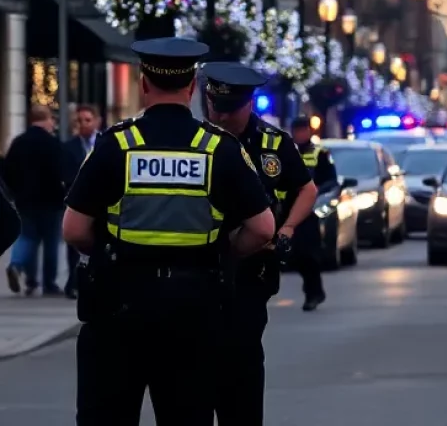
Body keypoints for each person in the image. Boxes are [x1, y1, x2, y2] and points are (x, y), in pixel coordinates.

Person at [64, 39, 275, 426]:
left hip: (119, 308)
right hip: (194, 312)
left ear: (144, 83)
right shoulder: (217, 148)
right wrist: (226, 250)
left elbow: (74, 228)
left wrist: (110, 249)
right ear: (193, 85)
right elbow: (262, 230)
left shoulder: (116, 144)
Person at [203, 63, 316, 426]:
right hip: (202, 267)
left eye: (229, 110)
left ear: (249, 104)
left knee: (243, 360)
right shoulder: (197, 140)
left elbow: (306, 188)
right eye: (213, 107)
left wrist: (287, 230)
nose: (219, 116)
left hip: (252, 267)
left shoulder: (272, 143)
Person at [4, 105, 65, 295]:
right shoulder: (53, 143)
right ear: (47, 119)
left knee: (27, 236)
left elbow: (7, 171)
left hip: (25, 200)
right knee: (51, 242)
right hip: (51, 200)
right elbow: (61, 171)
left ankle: (22, 271)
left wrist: (14, 192)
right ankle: (49, 282)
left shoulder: (19, 142)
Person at [288, 115, 337, 311]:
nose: (299, 134)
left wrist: (316, 192)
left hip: (309, 212)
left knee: (308, 255)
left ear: (309, 132)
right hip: (285, 209)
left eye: (302, 130)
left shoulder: (320, 154)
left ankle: (313, 293)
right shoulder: (286, 153)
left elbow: (331, 181)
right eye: (296, 131)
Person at [62, 104, 101, 299]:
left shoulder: (107, 143)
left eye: (87, 120)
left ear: (96, 121)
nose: (84, 124)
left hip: (101, 204)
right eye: (79, 120)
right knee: (74, 246)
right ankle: (73, 283)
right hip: (78, 202)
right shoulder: (69, 147)